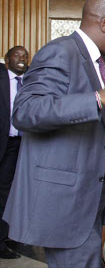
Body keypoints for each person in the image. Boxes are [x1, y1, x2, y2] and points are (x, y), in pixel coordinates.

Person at [3, 0, 105, 268]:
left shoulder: (97, 62)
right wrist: (99, 98)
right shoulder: (60, 51)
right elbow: (26, 110)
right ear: (104, 23)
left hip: (93, 187)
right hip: (67, 195)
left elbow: (95, 115)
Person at [0, 46, 29, 260]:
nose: (22, 59)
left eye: (25, 56)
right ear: (7, 59)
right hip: (5, 143)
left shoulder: (31, 82)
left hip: (24, 145)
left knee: (14, 193)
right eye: (17, 56)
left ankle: (10, 236)